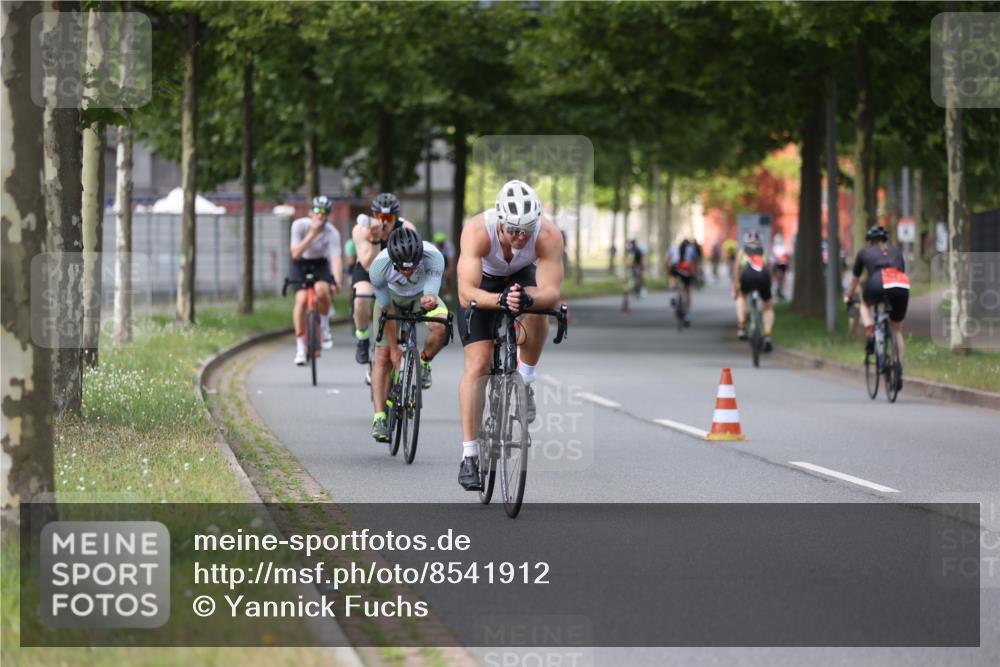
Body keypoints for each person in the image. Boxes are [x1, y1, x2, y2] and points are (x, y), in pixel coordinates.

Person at [455, 179, 564, 491]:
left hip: (521, 277)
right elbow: (466, 293)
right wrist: (499, 300)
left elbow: (551, 291)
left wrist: (528, 300)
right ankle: (470, 456)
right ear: (500, 222)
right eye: (514, 230)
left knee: (538, 310)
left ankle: (525, 381)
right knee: (478, 365)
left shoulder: (547, 234)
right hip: (483, 284)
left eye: (527, 230)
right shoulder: (478, 231)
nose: (521, 237)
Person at [368, 227, 449, 443]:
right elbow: (386, 309)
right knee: (384, 355)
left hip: (421, 295)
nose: (408, 271)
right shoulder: (379, 268)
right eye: (402, 268)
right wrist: (394, 348)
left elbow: (431, 292)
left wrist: (430, 298)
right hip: (391, 299)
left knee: (441, 325)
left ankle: (424, 361)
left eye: (412, 266)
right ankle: (379, 417)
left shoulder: (434, 257)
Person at [350, 194, 418, 368]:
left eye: (389, 218)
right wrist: (375, 239)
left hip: (395, 271)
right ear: (374, 216)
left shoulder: (407, 228)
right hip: (368, 270)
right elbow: (367, 265)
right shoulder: (361, 230)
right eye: (381, 217)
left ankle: (402, 333)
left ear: (396, 217)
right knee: (361, 297)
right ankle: (362, 337)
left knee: (400, 300)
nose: (385, 222)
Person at [845, 225, 910, 390]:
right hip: (901, 283)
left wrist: (849, 296)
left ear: (869, 241)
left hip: (878, 281)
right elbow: (901, 270)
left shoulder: (864, 252)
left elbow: (855, 280)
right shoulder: (896, 251)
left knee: (865, 304)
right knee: (896, 330)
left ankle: (870, 329)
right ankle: (898, 367)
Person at [289, 195, 342, 365]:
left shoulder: (332, 232)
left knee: (322, 291)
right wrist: (312, 234)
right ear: (311, 212)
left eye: (324, 212)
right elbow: (295, 253)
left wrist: (337, 280)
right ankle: (300, 347)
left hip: (320, 263)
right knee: (301, 300)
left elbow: (336, 258)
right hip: (300, 263)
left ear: (328, 215)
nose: (320, 215)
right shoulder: (299, 225)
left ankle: (325, 327)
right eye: (318, 210)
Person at [732, 230, 774, 351]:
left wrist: (735, 288)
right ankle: (767, 334)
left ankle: (741, 326)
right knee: (768, 306)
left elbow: (737, 269)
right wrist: (769, 287)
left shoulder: (742, 251)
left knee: (741, 297)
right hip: (763, 277)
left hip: (747, 277)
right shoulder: (764, 252)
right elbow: (769, 270)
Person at [667, 238, 699, 326]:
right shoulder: (692, 249)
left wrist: (667, 271)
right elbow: (695, 262)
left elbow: (666, 261)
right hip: (686, 268)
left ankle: (673, 293)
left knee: (672, 278)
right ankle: (687, 314)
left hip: (675, 267)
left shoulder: (673, 247)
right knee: (688, 291)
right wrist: (695, 274)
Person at [433, 230, 457, 297]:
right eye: (439, 243)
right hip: (437, 260)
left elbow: (451, 262)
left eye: (441, 243)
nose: (440, 245)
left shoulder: (449, 246)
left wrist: (448, 272)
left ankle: (448, 293)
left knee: (449, 276)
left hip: (446, 260)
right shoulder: (433, 247)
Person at [770, 232, 791, 301]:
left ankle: (780, 292)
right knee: (777, 279)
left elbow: (787, 256)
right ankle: (776, 291)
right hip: (777, 265)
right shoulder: (774, 247)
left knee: (782, 279)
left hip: (783, 265)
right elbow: (773, 258)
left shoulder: (784, 247)